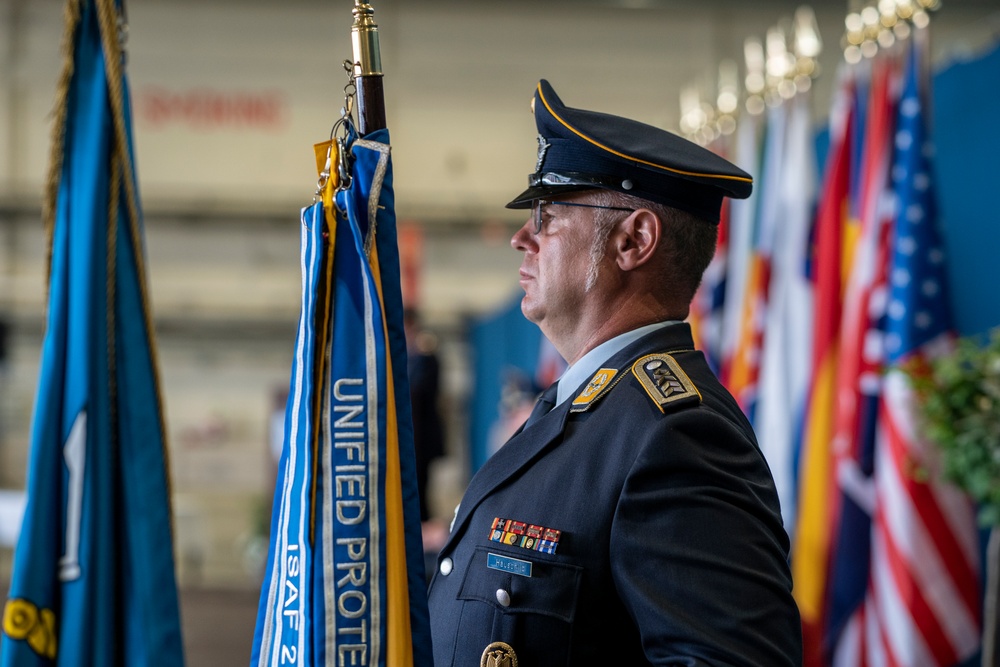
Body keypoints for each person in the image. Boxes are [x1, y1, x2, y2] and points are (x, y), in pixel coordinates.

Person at [426, 80, 801, 666]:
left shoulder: (677, 436)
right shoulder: (581, 410)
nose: (522, 238)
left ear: (634, 240)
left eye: (548, 215)